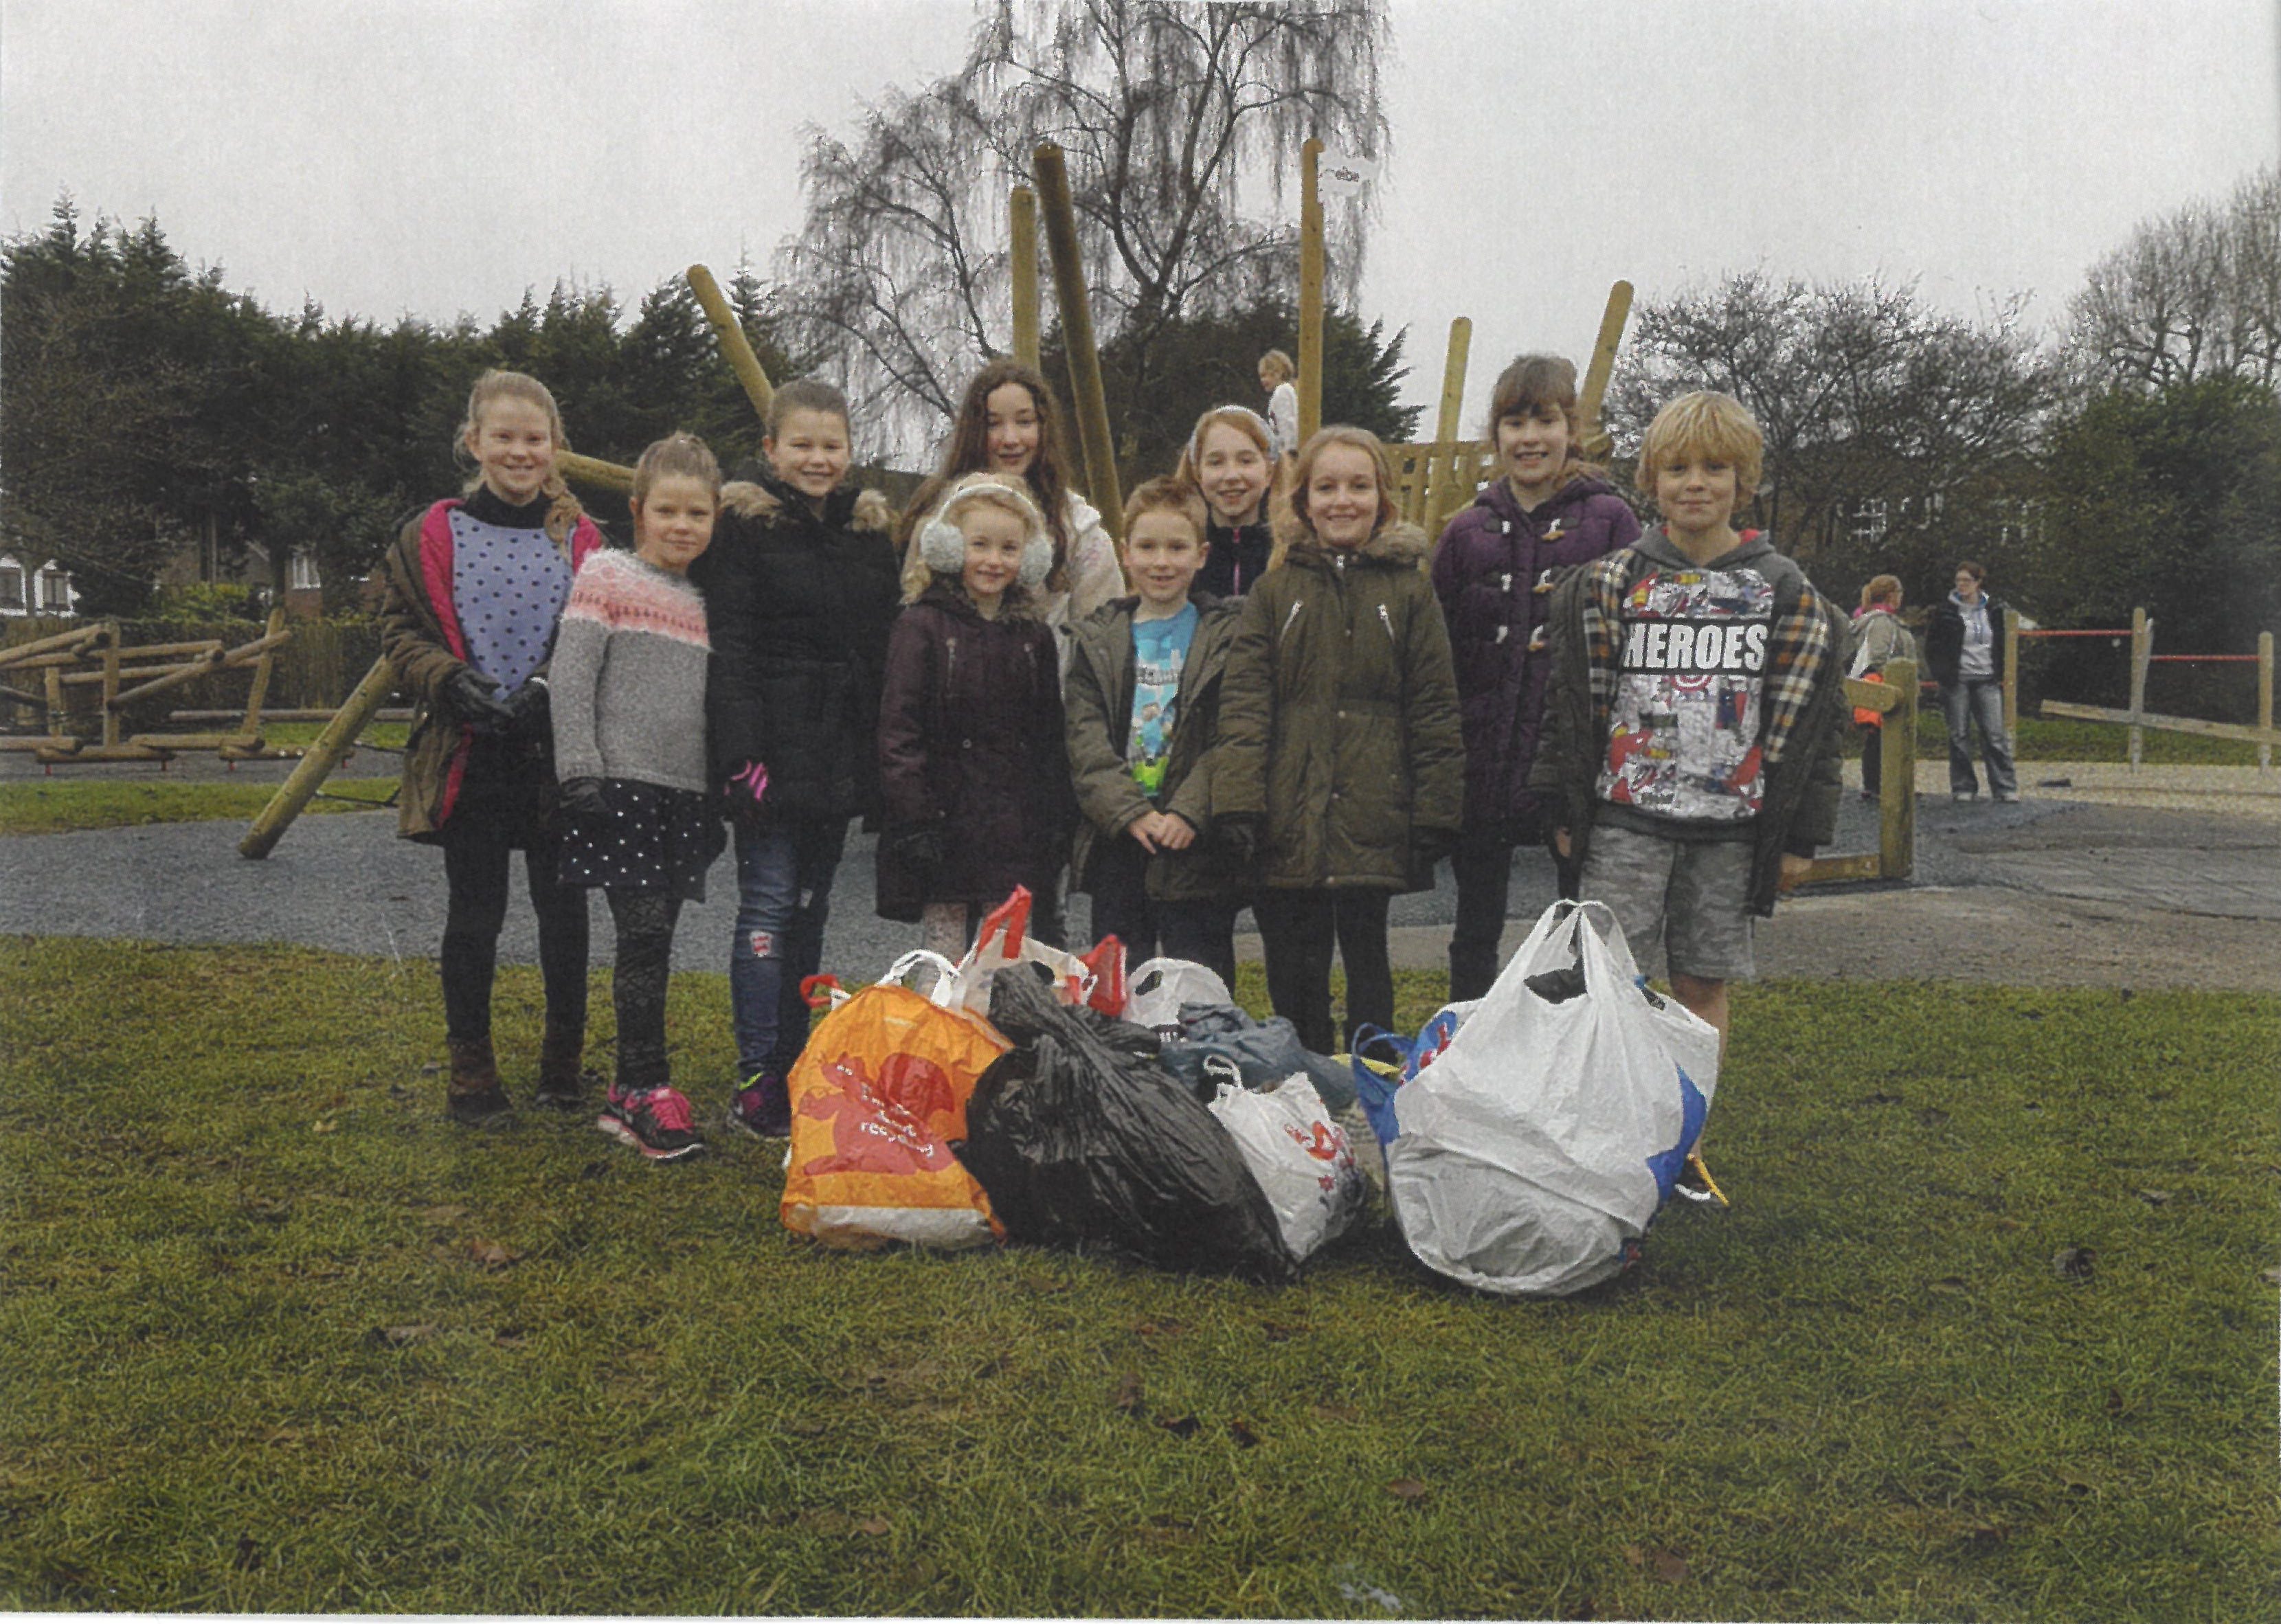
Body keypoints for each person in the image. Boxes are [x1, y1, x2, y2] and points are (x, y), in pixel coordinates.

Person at [1532, 390, 1846, 1083]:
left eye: (1713, 468)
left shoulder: (1784, 590)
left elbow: (1814, 725)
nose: (1694, 484)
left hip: (1727, 832)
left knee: (1701, 986)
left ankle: (1687, 1136)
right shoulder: (1609, 584)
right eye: (1676, 469)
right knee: (1608, 979)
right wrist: (1558, 808)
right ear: (1651, 481)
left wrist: (1800, 838)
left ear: (1743, 481)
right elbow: (1570, 708)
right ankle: (1611, 1120)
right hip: (1624, 826)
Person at [379, 370, 603, 1127]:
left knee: (563, 915)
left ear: (555, 447)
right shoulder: (429, 534)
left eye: (533, 439)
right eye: (502, 437)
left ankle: (563, 1068)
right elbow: (398, 632)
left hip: (554, 755)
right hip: (470, 750)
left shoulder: (582, 539)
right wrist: (445, 679)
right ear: (473, 443)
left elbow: (597, 631)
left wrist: (549, 684)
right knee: (474, 916)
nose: (519, 452)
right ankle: (471, 1074)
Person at [690, 379, 902, 1141]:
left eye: (831, 446)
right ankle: (756, 1076)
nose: (818, 459)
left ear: (849, 453)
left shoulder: (865, 535)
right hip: (772, 754)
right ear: (772, 449)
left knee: (811, 914)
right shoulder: (744, 532)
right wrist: (742, 752)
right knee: (767, 907)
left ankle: (797, 1057)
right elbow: (734, 648)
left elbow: (880, 651)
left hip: (838, 752)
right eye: (803, 445)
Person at [1215, 426, 1464, 1055]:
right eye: (1326, 487)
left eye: (1358, 486)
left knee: (1365, 956)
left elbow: (1434, 706)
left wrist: (1436, 808)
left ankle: (1372, 1073)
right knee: (1293, 960)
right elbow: (1245, 705)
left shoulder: (1409, 590)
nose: (1342, 501)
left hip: (1373, 811)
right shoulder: (1275, 593)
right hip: (1288, 809)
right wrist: (1239, 800)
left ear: (1383, 497)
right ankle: (1305, 1076)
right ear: (1303, 502)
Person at [1431, 354, 1641, 1001]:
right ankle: (1466, 1041)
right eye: (1514, 422)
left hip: (1575, 760)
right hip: (1484, 755)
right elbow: (1437, 642)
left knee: (1582, 919)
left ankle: (1580, 1043)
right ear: (1495, 437)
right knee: (1474, 926)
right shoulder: (1465, 531)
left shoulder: (1610, 521)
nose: (1530, 438)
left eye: (1544, 420)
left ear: (1571, 429)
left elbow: (1635, 639)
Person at [551, 434, 726, 1162]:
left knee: (660, 938)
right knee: (643, 934)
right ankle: (639, 1088)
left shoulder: (709, 600)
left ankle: (638, 1085)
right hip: (617, 786)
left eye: (697, 514)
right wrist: (578, 770)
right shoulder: (606, 576)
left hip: (684, 795)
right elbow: (570, 677)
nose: (681, 527)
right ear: (637, 511)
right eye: (667, 511)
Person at [877, 474, 1078, 956]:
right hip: (943, 821)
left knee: (1005, 958)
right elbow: (899, 731)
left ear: (1029, 557)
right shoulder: (920, 626)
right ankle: (939, 1032)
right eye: (979, 545)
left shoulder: (1034, 638)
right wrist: (914, 817)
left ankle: (1001, 1032)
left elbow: (1048, 736)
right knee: (943, 955)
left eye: (1009, 548)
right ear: (949, 547)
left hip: (1013, 827)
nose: (993, 560)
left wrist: (1053, 818)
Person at [1064, 477, 1246, 987]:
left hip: (1194, 836)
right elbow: (1086, 740)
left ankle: (1205, 1061)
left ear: (1202, 555)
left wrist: (1190, 809)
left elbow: (1232, 733)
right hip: (1121, 835)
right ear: (1125, 554)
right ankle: (1125, 1062)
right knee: (1120, 978)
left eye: (1176, 547)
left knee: (1200, 976)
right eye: (1147, 547)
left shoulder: (1226, 636)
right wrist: (1128, 811)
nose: (1161, 561)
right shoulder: (1097, 638)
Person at [897, 359, 1124, 667]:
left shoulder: (1080, 531)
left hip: (1043, 704)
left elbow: (1104, 649)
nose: (1011, 439)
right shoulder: (936, 521)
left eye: (1024, 422)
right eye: (994, 424)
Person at [1924, 561, 2019, 804]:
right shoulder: (1946, 612)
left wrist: (2001, 671)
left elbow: (2003, 642)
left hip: (1987, 678)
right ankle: (1963, 786)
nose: (1962, 586)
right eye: (1959, 581)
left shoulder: (1995, 611)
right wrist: (1942, 673)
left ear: (1978, 583)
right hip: (1957, 680)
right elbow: (1933, 646)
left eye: (1967, 581)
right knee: (1959, 734)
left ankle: (2005, 786)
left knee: (1995, 734)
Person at [1173, 405, 1278, 597]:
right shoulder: (1176, 551)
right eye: (1216, 462)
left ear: (1269, 472)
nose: (1231, 476)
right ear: (1198, 473)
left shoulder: (1289, 551)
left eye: (1246, 461)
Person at [1847, 574, 1917, 801]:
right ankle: (1880, 785)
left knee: (1877, 738)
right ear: (1892, 595)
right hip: (1886, 685)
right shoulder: (1882, 623)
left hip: (1881, 683)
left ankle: (1878, 784)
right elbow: (1878, 655)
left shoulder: (1868, 620)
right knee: (1883, 738)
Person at [1258, 349, 1300, 467]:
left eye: (1266, 375)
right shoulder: (1285, 391)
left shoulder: (1283, 392)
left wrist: (1288, 453)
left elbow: (1287, 423)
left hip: (1288, 453)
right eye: (1261, 376)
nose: (1263, 380)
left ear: (1278, 373)